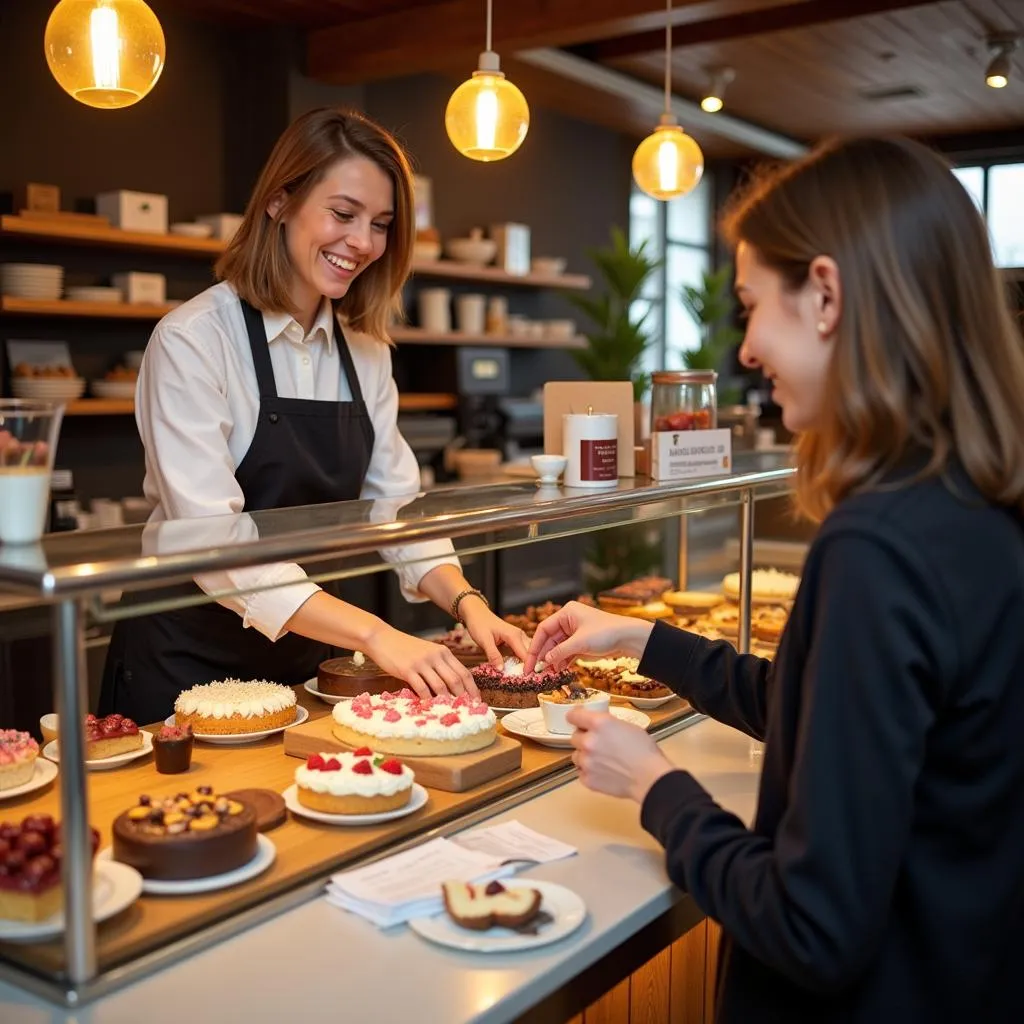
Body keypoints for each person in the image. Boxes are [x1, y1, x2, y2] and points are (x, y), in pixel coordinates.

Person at [526, 137, 1024, 1022]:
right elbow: (825, 710)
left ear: (826, 295)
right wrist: (645, 640)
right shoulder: (974, 508)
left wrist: (655, 786)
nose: (747, 349)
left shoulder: (877, 545)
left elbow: (813, 926)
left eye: (753, 305)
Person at [100, 108, 527, 724]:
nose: (362, 242)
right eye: (343, 213)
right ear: (280, 201)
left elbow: (397, 508)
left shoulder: (366, 349)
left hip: (307, 661)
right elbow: (213, 545)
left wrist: (469, 603)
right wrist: (378, 636)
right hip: (184, 666)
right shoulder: (193, 339)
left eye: (380, 224)